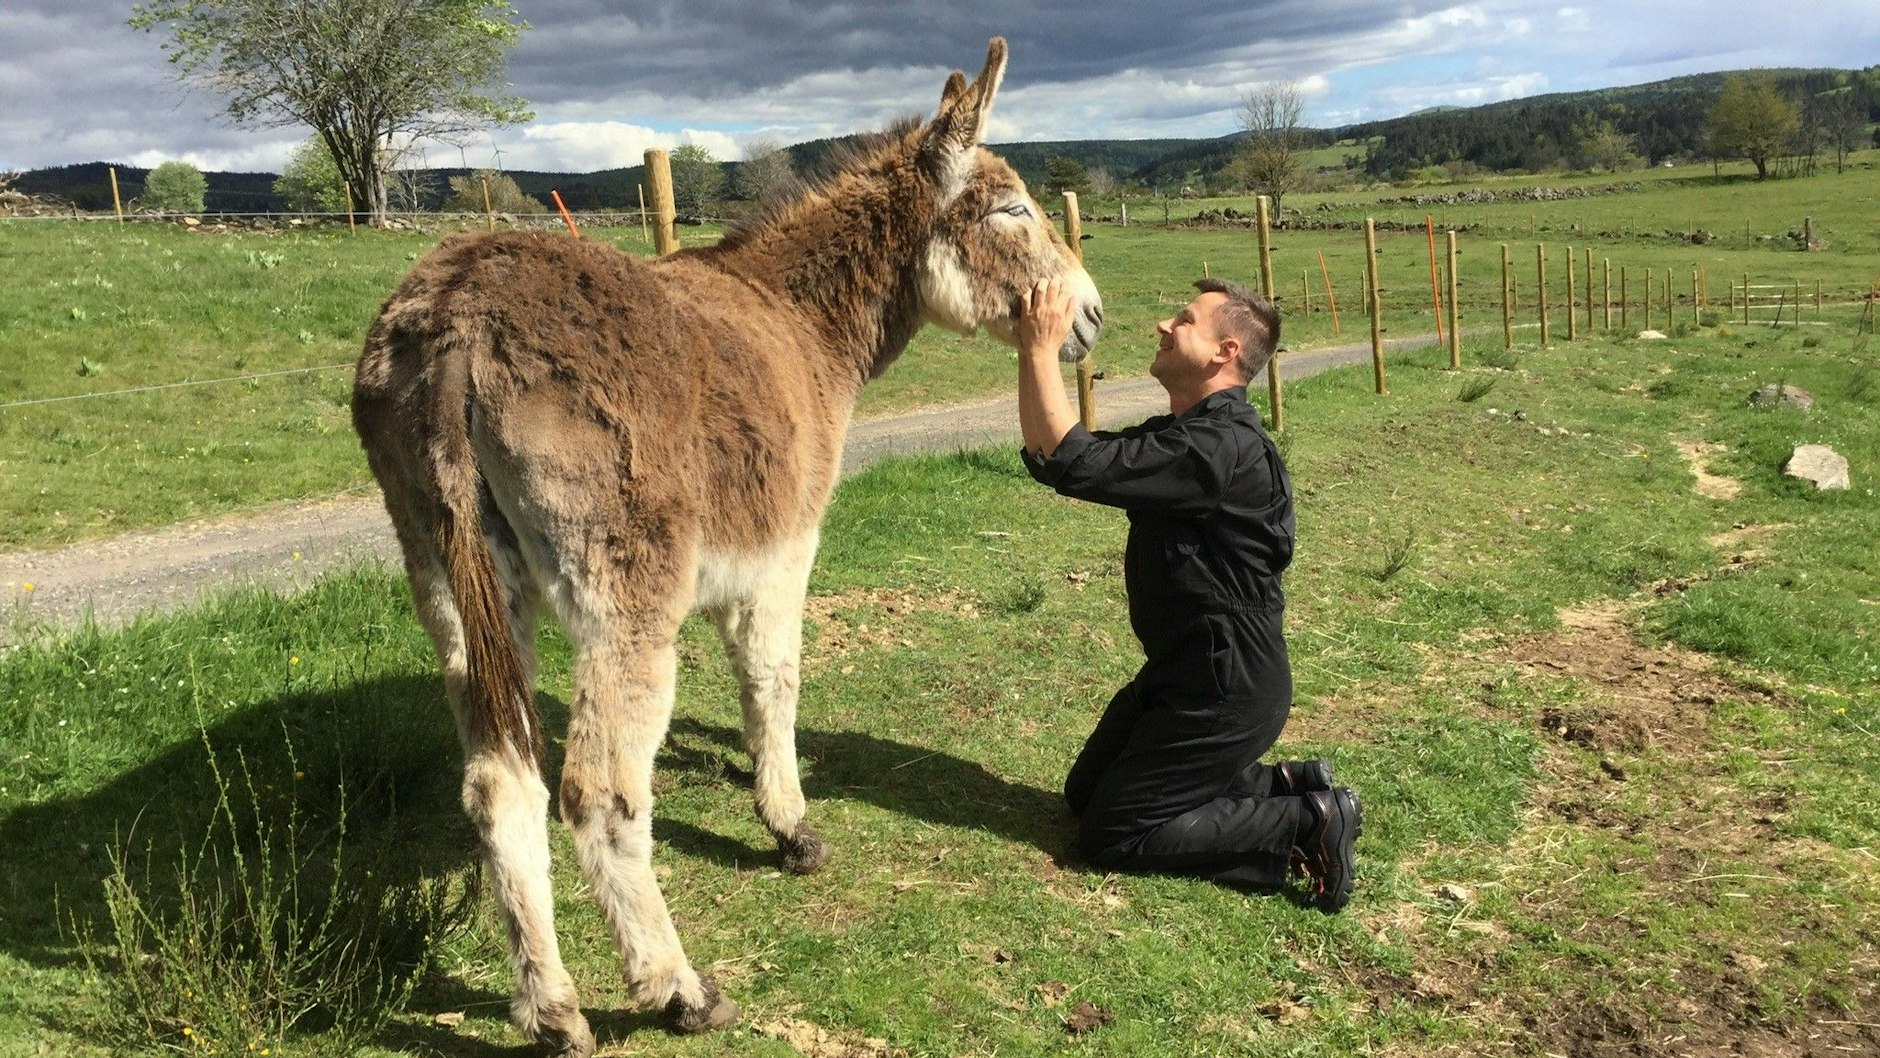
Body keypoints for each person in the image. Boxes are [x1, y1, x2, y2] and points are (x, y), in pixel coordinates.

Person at [1011, 275, 1361, 911]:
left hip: (1226, 687)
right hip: (1183, 671)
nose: (1164, 326)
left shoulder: (1218, 449)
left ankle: (1307, 819)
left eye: (1184, 320)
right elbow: (1059, 455)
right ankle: (1282, 783)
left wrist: (1040, 349)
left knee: (1114, 832)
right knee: (1087, 792)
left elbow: (1073, 459)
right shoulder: (1190, 436)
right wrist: (1028, 350)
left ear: (1226, 352)